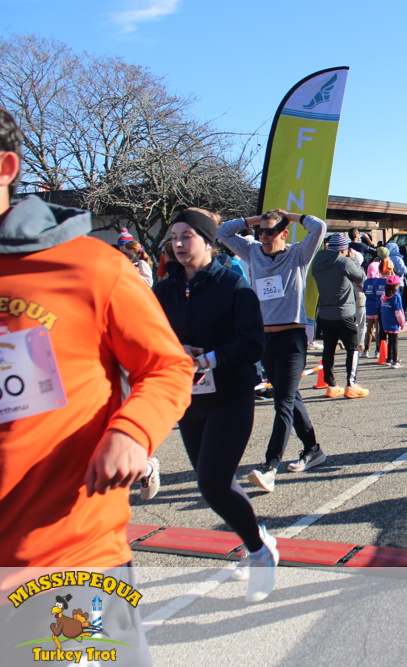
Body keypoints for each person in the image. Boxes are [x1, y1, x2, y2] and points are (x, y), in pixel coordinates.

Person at [0, 109, 191, 663]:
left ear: (6, 168)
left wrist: (132, 432)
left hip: (64, 557)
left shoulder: (90, 267)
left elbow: (167, 366)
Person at [154, 208, 278, 603]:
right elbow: (150, 336)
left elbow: (253, 344)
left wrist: (207, 358)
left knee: (211, 484)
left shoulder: (234, 286)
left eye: (187, 236)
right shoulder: (164, 290)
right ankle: (259, 539)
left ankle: (260, 554)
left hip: (230, 397)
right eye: (174, 237)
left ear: (207, 242)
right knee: (217, 483)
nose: (178, 243)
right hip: (188, 400)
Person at [218, 208, 327, 492]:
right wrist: (256, 220)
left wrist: (289, 215)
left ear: (284, 233)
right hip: (266, 340)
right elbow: (222, 232)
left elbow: (319, 226)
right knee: (289, 397)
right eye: (261, 232)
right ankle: (313, 449)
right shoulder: (252, 252)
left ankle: (270, 467)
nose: (263, 236)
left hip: (292, 339)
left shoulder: (298, 254)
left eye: (269, 232)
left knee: (283, 402)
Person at [311, 232, 368, 398]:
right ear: (344, 249)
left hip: (324, 312)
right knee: (353, 348)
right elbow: (361, 277)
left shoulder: (318, 260)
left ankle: (331, 385)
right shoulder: (344, 262)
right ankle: (351, 384)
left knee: (329, 349)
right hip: (344, 312)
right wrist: (353, 260)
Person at [381, 274, 406, 367]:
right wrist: (402, 323)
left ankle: (389, 359)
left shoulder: (384, 295)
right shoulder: (396, 296)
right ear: (396, 285)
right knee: (394, 341)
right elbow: (398, 312)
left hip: (385, 321)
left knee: (389, 341)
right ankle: (395, 361)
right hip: (393, 322)